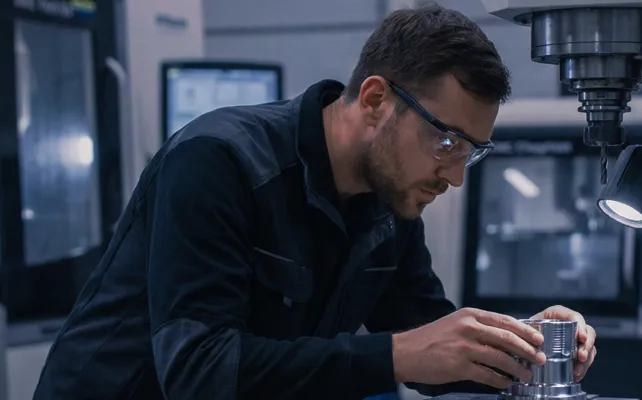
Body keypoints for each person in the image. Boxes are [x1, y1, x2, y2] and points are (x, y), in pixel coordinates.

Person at [33, 4, 597, 400]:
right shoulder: (218, 160)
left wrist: (529, 352)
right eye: (446, 141)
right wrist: (397, 356)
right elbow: (198, 371)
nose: (453, 177)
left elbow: (430, 343)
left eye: (470, 152)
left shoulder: (390, 200)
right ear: (376, 99)